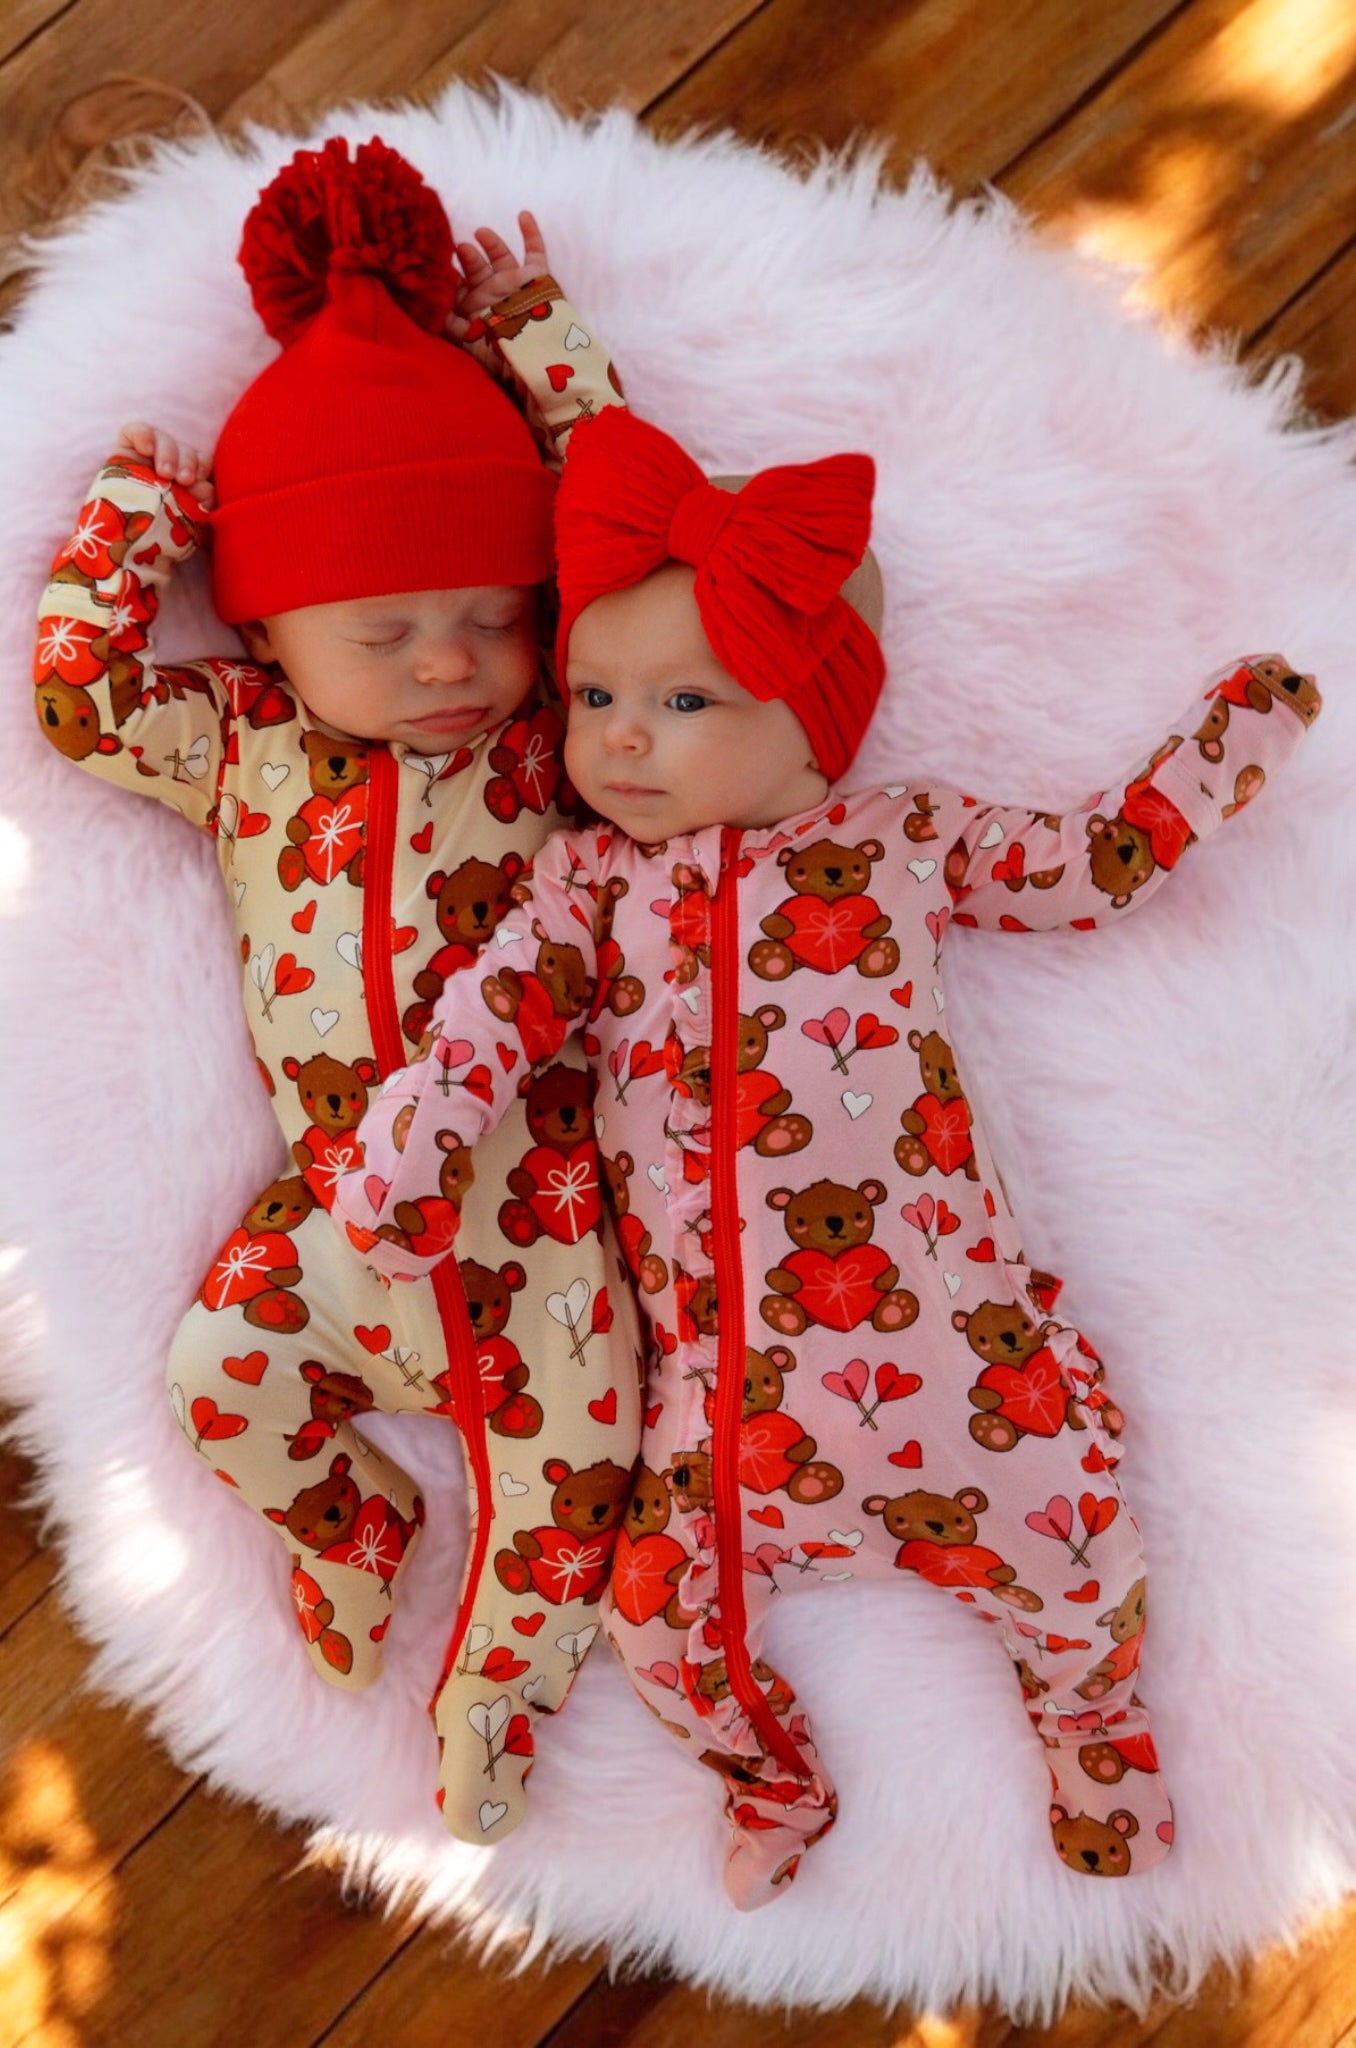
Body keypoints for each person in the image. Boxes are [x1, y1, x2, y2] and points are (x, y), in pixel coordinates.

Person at [332, 403, 1321, 1907]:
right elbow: (481, 1032)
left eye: (684, 702)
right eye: (597, 694)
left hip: (965, 1357)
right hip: (732, 1416)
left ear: (818, 721)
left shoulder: (899, 839)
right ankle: (771, 1777)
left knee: (1078, 1547)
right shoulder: (589, 889)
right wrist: (409, 1161)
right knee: (659, 1622)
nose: (618, 738)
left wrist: (1220, 748)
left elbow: (1092, 866)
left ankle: (1093, 1726)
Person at [31, 137, 644, 1844]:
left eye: (487, 616)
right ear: (272, 633)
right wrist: (131, 523)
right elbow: (77, 700)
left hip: (539, 1221)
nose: (450, 662)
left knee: (577, 1483)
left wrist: (556, 372)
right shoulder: (238, 746)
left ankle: (497, 1688)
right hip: (333, 1222)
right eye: (385, 632)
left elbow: (634, 569)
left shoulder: (558, 744)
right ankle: (352, 1524)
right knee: (215, 1378)